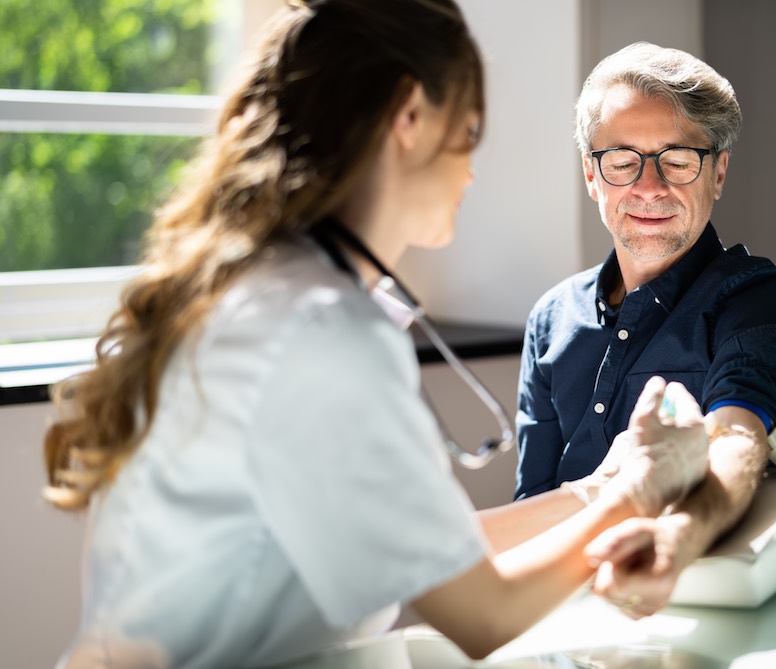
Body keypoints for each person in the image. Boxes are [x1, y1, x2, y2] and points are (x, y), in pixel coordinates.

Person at [42, 4, 711, 668]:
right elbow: (483, 613)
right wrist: (644, 486)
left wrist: (603, 484)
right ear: (410, 115)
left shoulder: (263, 292)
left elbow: (434, 554)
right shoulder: (322, 332)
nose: (472, 172)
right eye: (469, 130)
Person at [515, 42, 776, 614]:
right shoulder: (551, 318)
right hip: (563, 607)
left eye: (677, 161)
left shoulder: (755, 298)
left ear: (718, 172)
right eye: (623, 161)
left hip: (696, 599)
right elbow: (534, 501)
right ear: (591, 175)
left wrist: (674, 540)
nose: (649, 188)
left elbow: (737, 441)